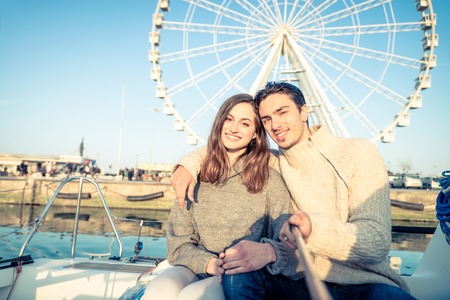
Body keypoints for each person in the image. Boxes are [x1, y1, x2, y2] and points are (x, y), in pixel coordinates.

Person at [170, 82, 414, 299]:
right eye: (266, 119)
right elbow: (231, 143)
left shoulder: (358, 152)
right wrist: (188, 165)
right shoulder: (275, 162)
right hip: (301, 282)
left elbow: (375, 242)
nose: (275, 124)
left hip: (365, 283)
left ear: (304, 111)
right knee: (240, 274)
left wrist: (313, 229)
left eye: (282, 112)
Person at [142, 93, 300, 300]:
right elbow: (177, 243)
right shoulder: (194, 175)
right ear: (220, 122)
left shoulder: (270, 181)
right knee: (157, 291)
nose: (234, 128)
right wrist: (208, 263)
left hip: (239, 272)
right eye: (229, 119)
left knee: (194, 296)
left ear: (255, 133)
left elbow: (285, 244)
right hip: (195, 265)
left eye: (245, 123)